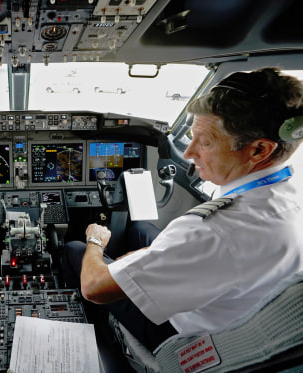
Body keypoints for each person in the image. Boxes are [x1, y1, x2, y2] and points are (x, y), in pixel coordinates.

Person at [62, 67, 303, 351]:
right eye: (192, 136)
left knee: (77, 249)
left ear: (259, 150)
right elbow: (192, 249)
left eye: (206, 141)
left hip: (183, 334)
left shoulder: (214, 231)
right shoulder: (289, 197)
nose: (189, 153)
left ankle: (94, 328)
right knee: (141, 229)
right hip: (233, 308)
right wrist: (146, 257)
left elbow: (94, 287)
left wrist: (96, 241)